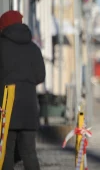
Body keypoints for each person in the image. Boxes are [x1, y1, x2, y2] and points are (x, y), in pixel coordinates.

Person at [0, 10, 45, 170]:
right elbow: (41, 76)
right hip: (28, 107)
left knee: (6, 152)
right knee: (29, 153)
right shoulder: (33, 48)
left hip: (6, 105)